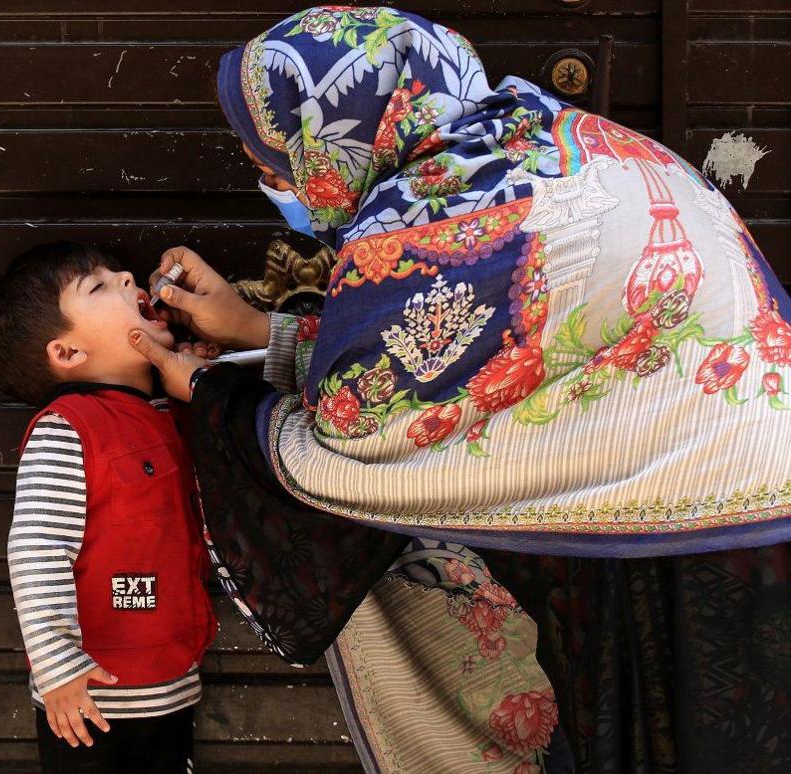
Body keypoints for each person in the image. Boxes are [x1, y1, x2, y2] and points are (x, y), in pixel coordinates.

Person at [127, 7, 791, 773]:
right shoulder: (528, 141)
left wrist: (212, 393)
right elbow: (471, 368)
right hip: (747, 506)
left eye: (276, 167)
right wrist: (253, 326)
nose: (275, 186)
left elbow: (350, 439)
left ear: (335, 142)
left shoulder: (429, 231)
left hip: (689, 548)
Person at [0, 241, 217, 773]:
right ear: (66, 353)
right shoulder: (68, 430)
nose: (129, 277)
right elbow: (37, 550)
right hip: (90, 701)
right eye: (101, 286)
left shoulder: (167, 412)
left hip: (172, 684)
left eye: (118, 274)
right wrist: (58, 670)